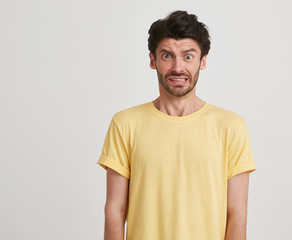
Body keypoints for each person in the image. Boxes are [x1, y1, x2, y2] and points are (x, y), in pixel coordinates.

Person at [97, 10, 257, 240]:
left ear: (203, 61)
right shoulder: (125, 124)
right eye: (167, 56)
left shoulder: (230, 126)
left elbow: (237, 214)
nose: (178, 67)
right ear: (153, 60)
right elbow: (115, 210)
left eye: (188, 56)